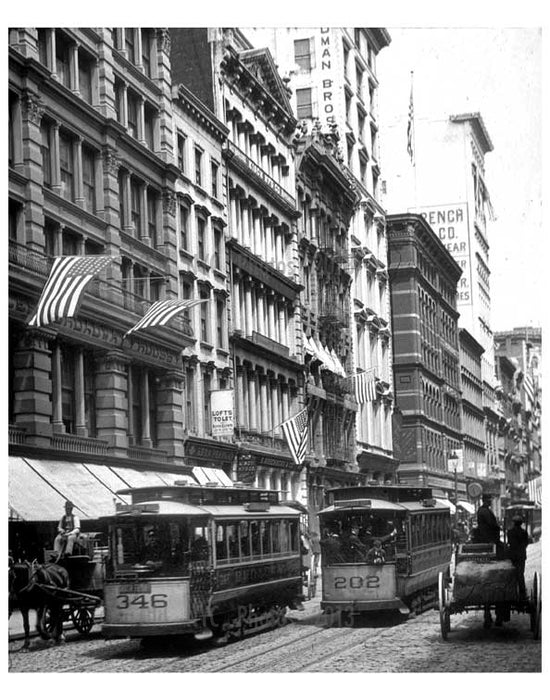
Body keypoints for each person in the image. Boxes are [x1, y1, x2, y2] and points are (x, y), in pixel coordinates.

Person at [507, 515, 529, 599]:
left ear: (514, 523)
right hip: (521, 556)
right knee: (520, 574)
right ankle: (522, 594)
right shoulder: (524, 532)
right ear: (521, 523)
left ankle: (511, 592)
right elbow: (526, 543)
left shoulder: (510, 532)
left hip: (512, 556)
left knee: (512, 574)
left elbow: (509, 542)